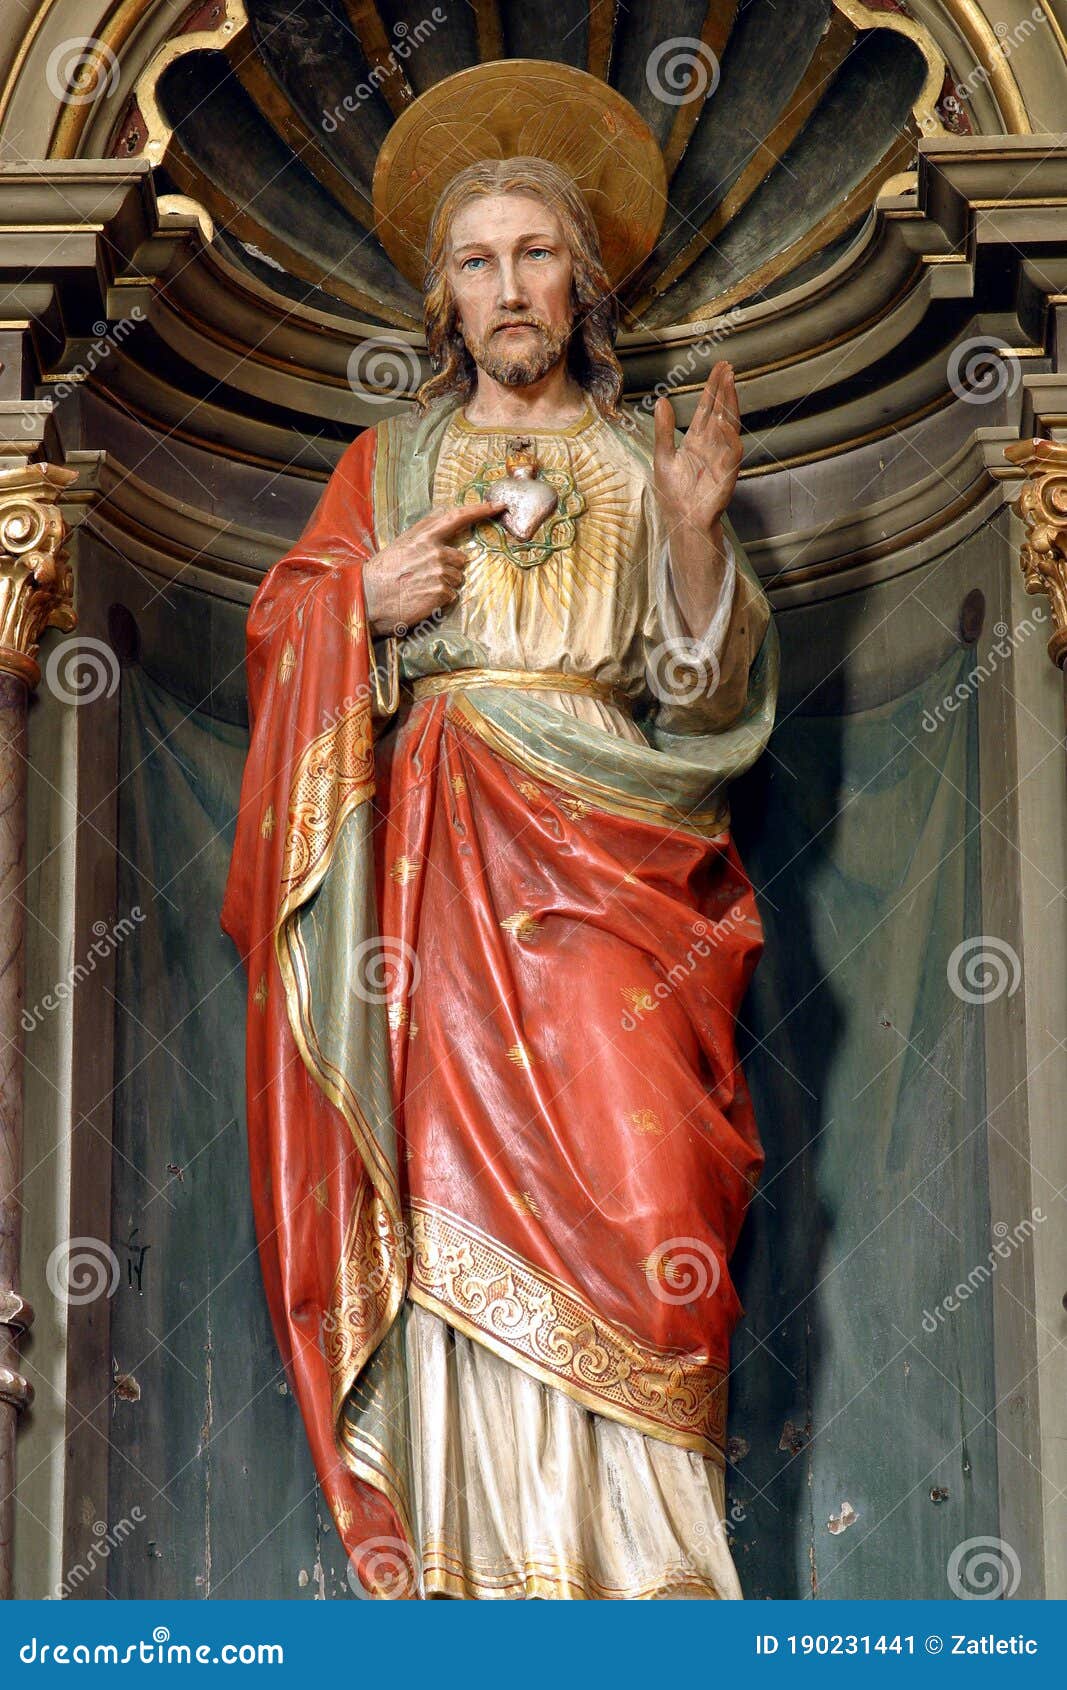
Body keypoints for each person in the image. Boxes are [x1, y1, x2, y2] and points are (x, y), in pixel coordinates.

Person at [222, 150, 778, 1600]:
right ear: (444, 300)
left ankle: (650, 1563)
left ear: (581, 286)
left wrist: (698, 535)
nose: (508, 285)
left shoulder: (643, 456)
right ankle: (477, 1561)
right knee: (444, 1189)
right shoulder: (389, 465)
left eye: (536, 254)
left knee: (653, 1184)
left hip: (616, 862)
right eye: (477, 261)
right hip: (436, 868)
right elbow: (282, 635)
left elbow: (704, 708)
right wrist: (365, 604)